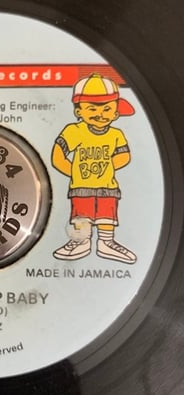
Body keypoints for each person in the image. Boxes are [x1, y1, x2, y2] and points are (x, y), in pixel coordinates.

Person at [52, 73, 136, 264]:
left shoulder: (116, 134)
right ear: (79, 112)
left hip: (108, 187)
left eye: (107, 109)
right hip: (81, 187)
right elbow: (58, 155)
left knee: (107, 214)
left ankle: (106, 243)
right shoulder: (74, 131)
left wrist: (108, 167)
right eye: (92, 108)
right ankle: (81, 242)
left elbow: (124, 155)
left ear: (115, 113)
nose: (100, 114)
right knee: (82, 215)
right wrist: (74, 171)